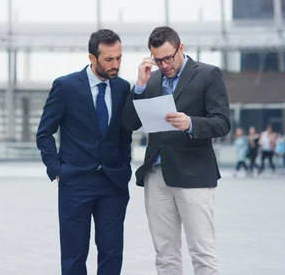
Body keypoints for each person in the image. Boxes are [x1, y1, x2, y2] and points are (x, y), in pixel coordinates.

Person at [122, 26, 231, 275]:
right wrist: (139, 86)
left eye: (168, 58)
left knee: (202, 252)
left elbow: (223, 123)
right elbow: (129, 123)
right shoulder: (152, 79)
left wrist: (191, 123)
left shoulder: (207, 74)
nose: (164, 65)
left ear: (180, 48)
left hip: (194, 175)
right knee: (165, 254)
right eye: (157, 59)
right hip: (156, 175)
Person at [36, 29, 133, 275]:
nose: (115, 65)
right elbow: (44, 133)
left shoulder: (122, 87)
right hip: (75, 183)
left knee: (112, 253)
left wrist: (125, 166)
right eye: (109, 59)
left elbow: (124, 134)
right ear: (92, 58)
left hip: (113, 184)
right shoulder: (66, 86)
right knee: (74, 255)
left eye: (119, 58)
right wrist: (57, 169)